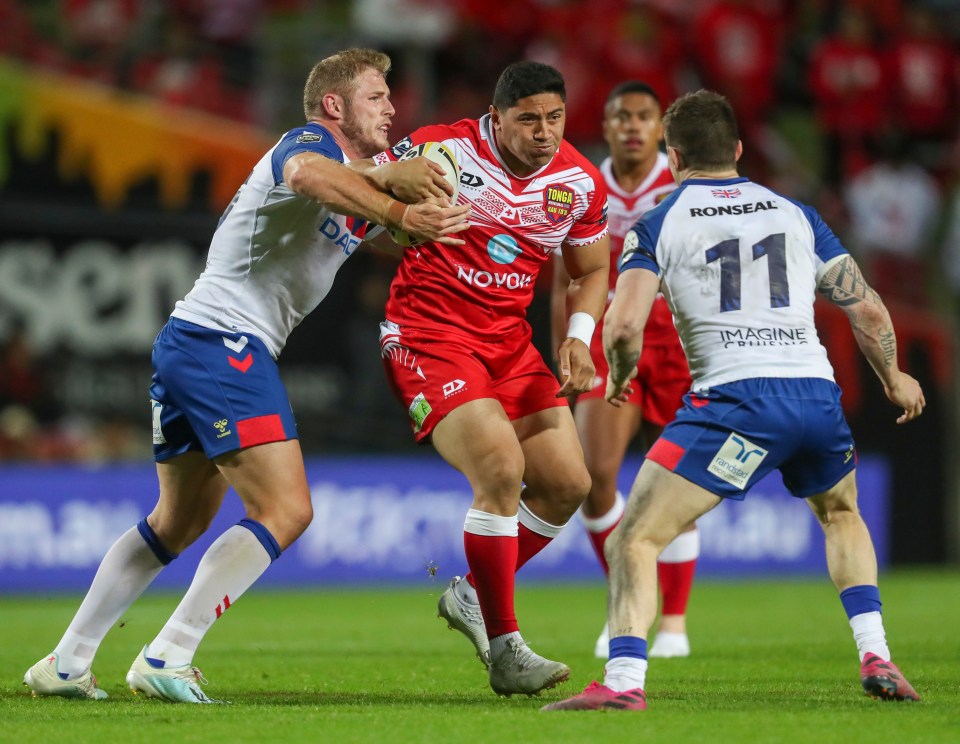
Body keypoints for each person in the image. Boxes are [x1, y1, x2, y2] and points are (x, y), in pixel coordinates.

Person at [23, 47, 469, 704]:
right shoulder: (310, 144)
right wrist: (398, 210)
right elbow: (308, 174)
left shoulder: (359, 182)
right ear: (334, 106)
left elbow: (349, 220)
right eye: (377, 96)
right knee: (285, 509)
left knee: (175, 523)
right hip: (222, 343)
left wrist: (405, 220)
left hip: (189, 342)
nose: (393, 107)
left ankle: (65, 663)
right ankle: (167, 654)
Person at [544, 89, 924, 712]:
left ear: (673, 155)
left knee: (633, 539)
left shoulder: (660, 220)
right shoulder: (799, 214)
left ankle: (621, 686)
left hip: (737, 403)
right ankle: (876, 652)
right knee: (839, 514)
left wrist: (618, 377)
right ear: (740, 150)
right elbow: (868, 307)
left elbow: (622, 323)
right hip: (815, 397)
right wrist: (895, 377)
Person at [364, 60, 611, 697]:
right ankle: (506, 647)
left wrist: (579, 339)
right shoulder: (442, 150)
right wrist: (394, 201)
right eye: (528, 119)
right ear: (496, 116)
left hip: (508, 344)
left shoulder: (578, 184)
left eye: (554, 118)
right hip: (430, 335)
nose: (544, 132)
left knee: (567, 483)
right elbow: (361, 186)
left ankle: (471, 594)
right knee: (501, 470)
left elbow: (588, 271)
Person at [550, 81, 698, 661]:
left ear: (661, 127)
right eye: (621, 116)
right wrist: (567, 345)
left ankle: (675, 626)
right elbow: (565, 278)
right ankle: (626, 598)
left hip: (682, 349)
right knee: (595, 480)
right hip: (610, 345)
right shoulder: (583, 186)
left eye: (643, 116)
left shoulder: (685, 185)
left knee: (678, 486)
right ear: (606, 126)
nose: (633, 126)